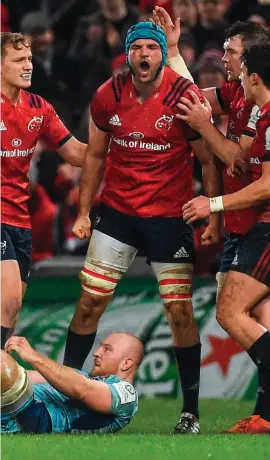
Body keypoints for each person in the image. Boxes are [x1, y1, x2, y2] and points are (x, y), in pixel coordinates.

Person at [63, 20, 221, 434]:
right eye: (138, 48)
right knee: (89, 302)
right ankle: (63, 392)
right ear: (129, 54)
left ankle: (190, 413)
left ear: (161, 53)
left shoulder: (182, 94)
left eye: (153, 47)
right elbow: (95, 158)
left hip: (170, 218)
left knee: (180, 311)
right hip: (117, 214)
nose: (145, 55)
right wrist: (83, 213)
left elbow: (207, 160)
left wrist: (214, 216)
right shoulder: (107, 95)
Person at [154, 9, 270, 323]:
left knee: (241, 315)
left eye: (230, 52)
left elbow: (240, 161)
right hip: (239, 222)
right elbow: (189, 100)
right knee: (238, 317)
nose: (223, 59)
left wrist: (206, 127)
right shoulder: (236, 92)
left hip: (258, 226)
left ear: (250, 60)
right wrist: (172, 53)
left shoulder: (264, 106)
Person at [182, 42, 270, 434]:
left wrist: (212, 204)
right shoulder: (264, 117)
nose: (235, 79)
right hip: (258, 227)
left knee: (231, 312)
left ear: (254, 77)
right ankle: (265, 416)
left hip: (266, 227)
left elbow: (268, 186)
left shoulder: (269, 119)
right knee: (254, 317)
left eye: (240, 69)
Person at [0, 32, 87, 349]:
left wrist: (123, 150)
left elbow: (76, 154)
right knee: (8, 299)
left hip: (20, 220)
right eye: (19, 60)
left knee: (11, 310)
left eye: (30, 60)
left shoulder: (39, 108)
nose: (28, 66)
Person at [1, 332, 142, 434]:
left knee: (3, 364)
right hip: (18, 405)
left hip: (31, 415)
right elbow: (24, 376)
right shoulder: (82, 377)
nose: (97, 353)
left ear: (126, 363)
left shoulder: (127, 395)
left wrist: (34, 357)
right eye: (100, 347)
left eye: (107, 349)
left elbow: (83, 390)